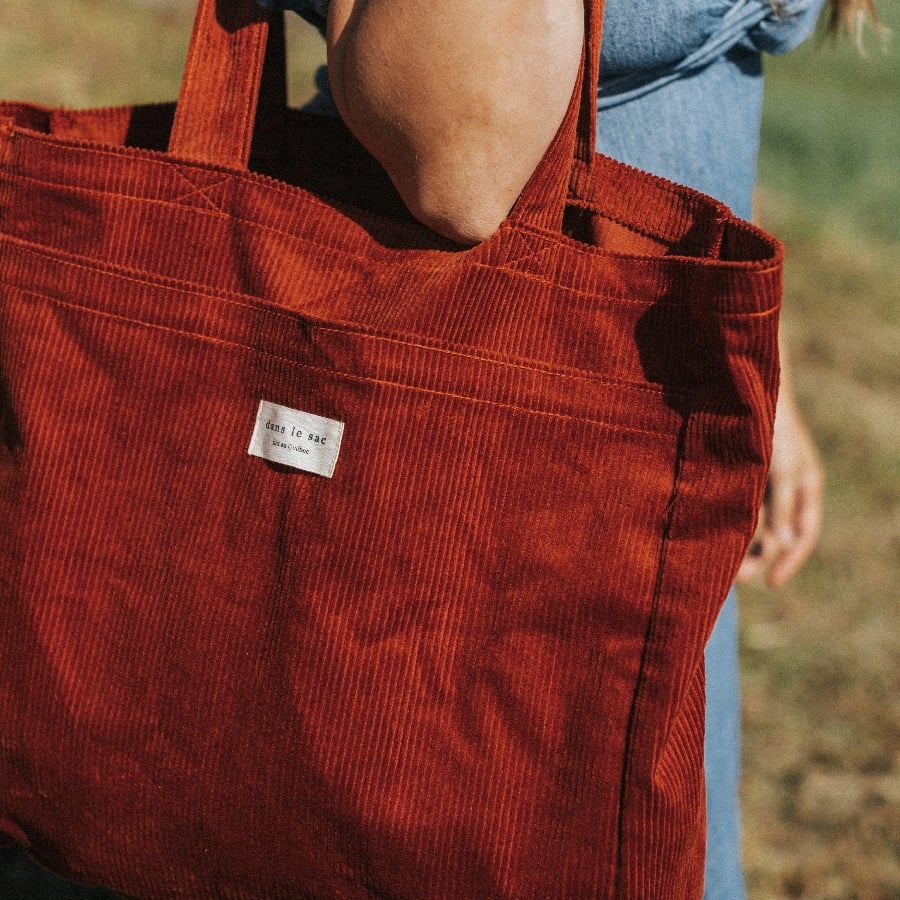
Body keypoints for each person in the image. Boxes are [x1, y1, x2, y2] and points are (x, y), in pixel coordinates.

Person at [255, 0, 837, 896]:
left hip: (651, 424)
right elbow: (462, 165)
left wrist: (764, 372)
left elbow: (695, 80)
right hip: (469, 401)